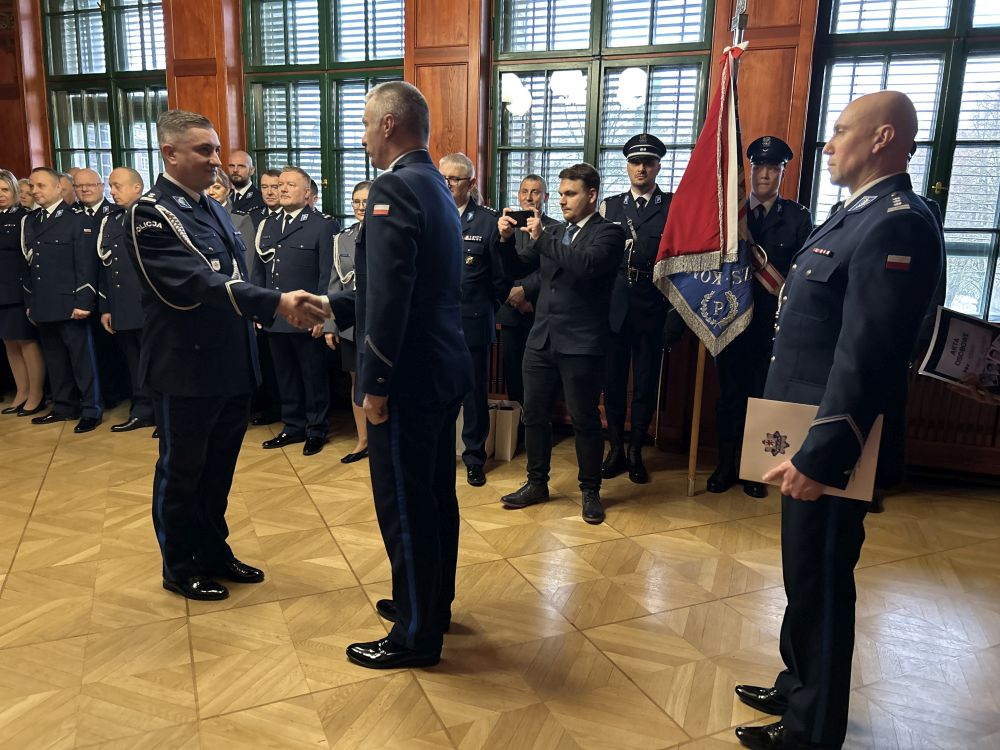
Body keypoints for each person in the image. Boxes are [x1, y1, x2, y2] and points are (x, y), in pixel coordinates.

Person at [732, 91, 944, 750]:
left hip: (832, 442)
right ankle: (799, 683)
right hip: (804, 426)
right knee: (804, 572)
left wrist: (823, 457)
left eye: (841, 131)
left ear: (883, 138)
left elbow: (869, 356)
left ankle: (810, 731)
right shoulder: (854, 216)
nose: (828, 143)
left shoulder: (896, 223)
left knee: (822, 580)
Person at [127, 109, 328, 601]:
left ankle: (213, 551)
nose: (216, 160)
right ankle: (179, 565)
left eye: (216, 149)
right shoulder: (151, 212)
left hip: (232, 362)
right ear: (169, 153)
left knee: (218, 469)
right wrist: (276, 302)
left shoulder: (213, 208)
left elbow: (238, 271)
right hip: (187, 367)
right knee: (182, 470)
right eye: (203, 150)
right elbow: (193, 283)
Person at [332, 81, 472, 669]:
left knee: (405, 503)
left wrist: (375, 384)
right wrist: (334, 308)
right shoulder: (434, 183)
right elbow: (403, 286)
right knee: (435, 494)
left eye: (366, 125)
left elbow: (391, 296)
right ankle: (430, 603)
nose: (363, 136)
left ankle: (415, 635)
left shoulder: (393, 185)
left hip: (406, 374)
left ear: (389, 125)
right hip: (440, 365)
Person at [497, 163, 625, 525]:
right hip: (541, 339)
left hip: (582, 344)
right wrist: (505, 240)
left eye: (570, 193)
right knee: (535, 414)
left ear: (592, 195)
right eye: (561, 193)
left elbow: (584, 266)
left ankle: (590, 490)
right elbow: (518, 270)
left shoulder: (609, 234)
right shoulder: (557, 233)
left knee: (584, 419)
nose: (563, 200)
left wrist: (543, 239)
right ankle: (536, 483)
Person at [708, 136, 813, 498]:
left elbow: (799, 275)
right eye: (758, 167)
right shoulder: (729, 215)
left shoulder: (797, 218)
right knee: (729, 397)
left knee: (761, 397)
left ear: (783, 172)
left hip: (770, 325)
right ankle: (725, 465)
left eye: (773, 168)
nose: (765, 175)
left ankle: (753, 469)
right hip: (730, 320)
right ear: (749, 170)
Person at [600, 133, 673, 484]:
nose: (641, 168)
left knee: (645, 383)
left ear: (658, 165)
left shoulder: (673, 206)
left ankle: (635, 451)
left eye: (648, 162)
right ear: (627, 166)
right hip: (614, 306)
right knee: (612, 382)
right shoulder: (609, 207)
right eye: (634, 162)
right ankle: (615, 447)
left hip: (651, 304)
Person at [252, 166, 338, 456]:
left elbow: (327, 274)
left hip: (306, 316)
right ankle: (292, 425)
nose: (283, 189)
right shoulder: (269, 224)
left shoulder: (322, 225)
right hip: (276, 315)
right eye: (281, 184)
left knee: (313, 376)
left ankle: (316, 428)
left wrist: (322, 315)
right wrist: (260, 308)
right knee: (284, 375)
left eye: (290, 185)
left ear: (308, 193)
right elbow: (260, 271)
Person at [440, 152, 507, 487]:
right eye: (445, 178)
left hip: (473, 322)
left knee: (474, 394)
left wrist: (484, 307)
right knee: (437, 392)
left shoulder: (486, 222)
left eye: (456, 179)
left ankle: (474, 457)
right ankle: (440, 454)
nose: (449, 184)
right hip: (435, 325)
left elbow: (500, 278)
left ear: (471, 183)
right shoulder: (431, 214)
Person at [22, 167, 103, 433]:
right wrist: (30, 303)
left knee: (82, 360)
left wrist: (84, 301)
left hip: (71, 303)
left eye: (41, 186)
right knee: (55, 359)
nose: (35, 191)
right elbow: (29, 268)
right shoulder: (32, 221)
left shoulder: (76, 220)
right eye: (33, 187)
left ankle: (91, 409)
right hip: (44, 303)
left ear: (59, 188)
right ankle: (64, 406)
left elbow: (86, 266)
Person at [98, 167, 155, 433]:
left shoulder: (151, 215)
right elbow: (106, 267)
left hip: (148, 306)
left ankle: (162, 413)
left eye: (118, 186)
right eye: (110, 186)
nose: (112, 191)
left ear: (137, 187)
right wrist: (106, 307)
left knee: (155, 362)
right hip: (121, 305)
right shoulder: (111, 219)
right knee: (133, 363)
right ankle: (142, 410)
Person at [494, 175, 555, 408]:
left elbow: (549, 268)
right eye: (524, 191)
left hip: (540, 309)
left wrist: (526, 292)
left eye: (536, 192)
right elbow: (498, 264)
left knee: (541, 375)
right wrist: (513, 294)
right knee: (512, 371)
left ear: (546, 197)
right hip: (510, 311)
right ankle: (516, 425)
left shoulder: (555, 229)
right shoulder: (506, 226)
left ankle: (538, 424)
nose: (529, 197)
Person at [320, 180, 369, 463]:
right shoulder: (342, 238)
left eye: (366, 201)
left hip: (380, 321)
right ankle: (362, 440)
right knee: (356, 379)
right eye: (356, 202)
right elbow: (334, 283)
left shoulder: (388, 234)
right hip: (350, 322)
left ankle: (382, 439)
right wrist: (330, 324)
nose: (361, 207)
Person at [0, 169, 45, 416]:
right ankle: (21, 391)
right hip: (0, 291)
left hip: (18, 289)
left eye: (5, 189)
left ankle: (36, 395)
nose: (1, 195)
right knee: (9, 342)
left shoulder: (23, 218)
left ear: (15, 191)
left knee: (26, 341)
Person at [206, 169, 256, 272]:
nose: (211, 192)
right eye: (207, 187)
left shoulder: (241, 219)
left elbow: (247, 261)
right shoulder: (197, 216)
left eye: (217, 187)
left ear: (228, 190)